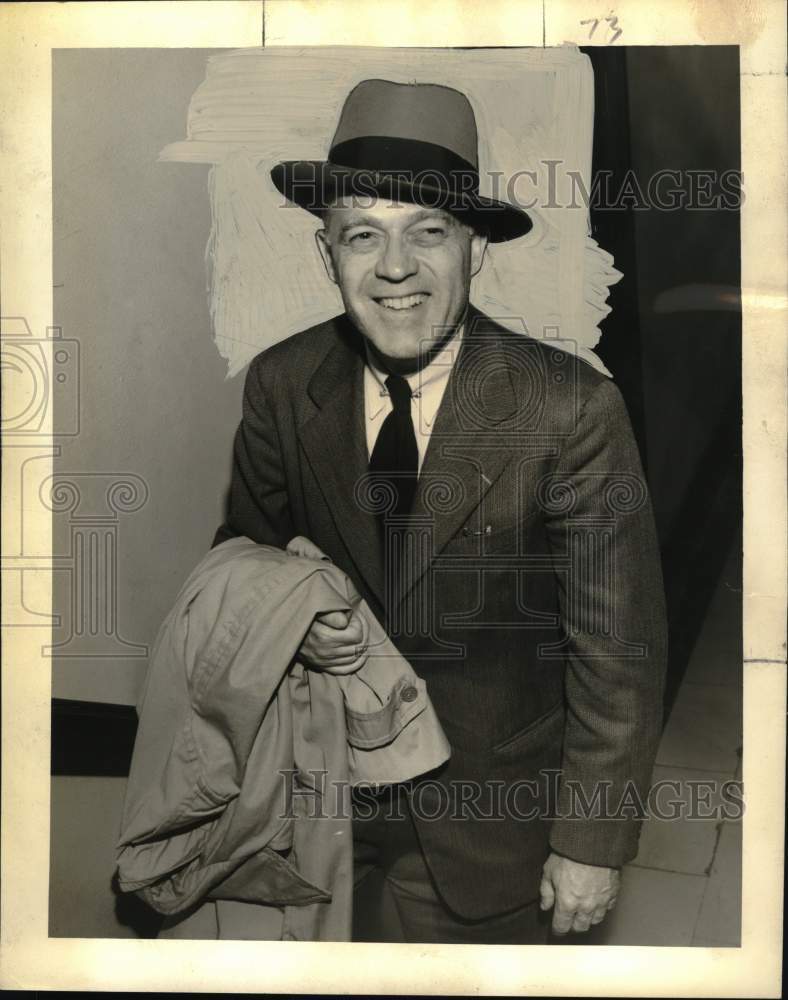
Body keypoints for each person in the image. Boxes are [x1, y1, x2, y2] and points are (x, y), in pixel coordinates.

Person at [214, 77, 667, 944]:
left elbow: (621, 653)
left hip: (487, 822)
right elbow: (240, 556)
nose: (395, 269)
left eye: (428, 231)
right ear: (326, 254)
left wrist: (591, 843)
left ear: (475, 248)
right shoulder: (279, 385)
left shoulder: (570, 409)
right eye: (362, 236)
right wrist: (291, 619)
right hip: (319, 800)